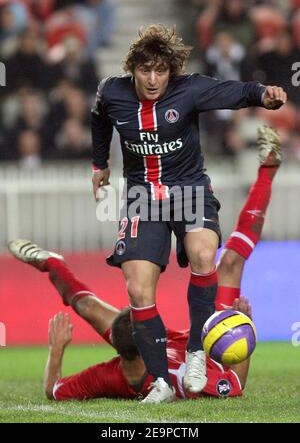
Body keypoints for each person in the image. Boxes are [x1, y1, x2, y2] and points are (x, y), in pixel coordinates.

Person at [8, 125, 282, 402]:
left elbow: (53, 391)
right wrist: (243, 327)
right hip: (206, 342)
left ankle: (53, 263)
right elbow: (234, 384)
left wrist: (56, 350)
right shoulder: (183, 379)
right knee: (231, 263)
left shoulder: (110, 375)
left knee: (89, 307)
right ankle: (268, 170)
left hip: (167, 345)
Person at [90, 24, 286, 402]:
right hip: (141, 196)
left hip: (189, 188)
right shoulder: (111, 92)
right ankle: (161, 382)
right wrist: (100, 164)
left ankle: (196, 351)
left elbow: (237, 92)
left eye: (160, 71)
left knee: (201, 253)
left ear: (171, 71)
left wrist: (264, 94)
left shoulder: (190, 88)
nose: (152, 79)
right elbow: (98, 119)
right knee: (137, 287)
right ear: (132, 69)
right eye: (144, 71)